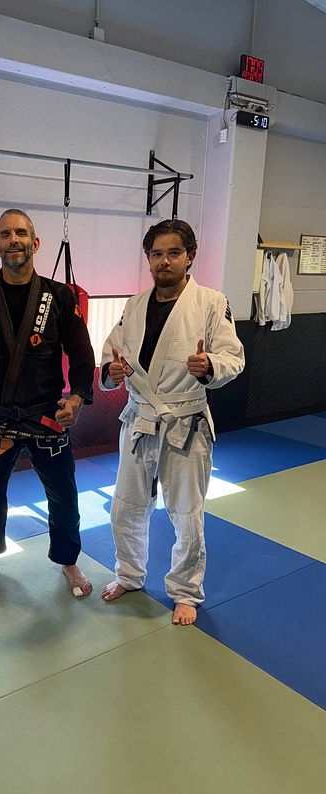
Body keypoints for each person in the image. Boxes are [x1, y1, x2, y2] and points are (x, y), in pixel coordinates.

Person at [99, 219, 244, 624]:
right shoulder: (134, 304)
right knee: (125, 507)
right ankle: (129, 574)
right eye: (157, 254)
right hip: (141, 419)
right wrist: (110, 374)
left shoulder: (212, 303)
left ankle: (184, 591)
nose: (164, 261)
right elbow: (113, 355)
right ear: (148, 259)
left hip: (185, 422)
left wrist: (209, 365)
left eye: (173, 253)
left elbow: (234, 358)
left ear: (190, 256)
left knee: (186, 513)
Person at [0, 209, 96, 596]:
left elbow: (82, 353)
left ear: (35, 243)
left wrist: (78, 395)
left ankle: (69, 561)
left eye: (20, 232)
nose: (13, 239)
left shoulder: (60, 296)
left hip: (46, 412)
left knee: (63, 493)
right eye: (5, 234)